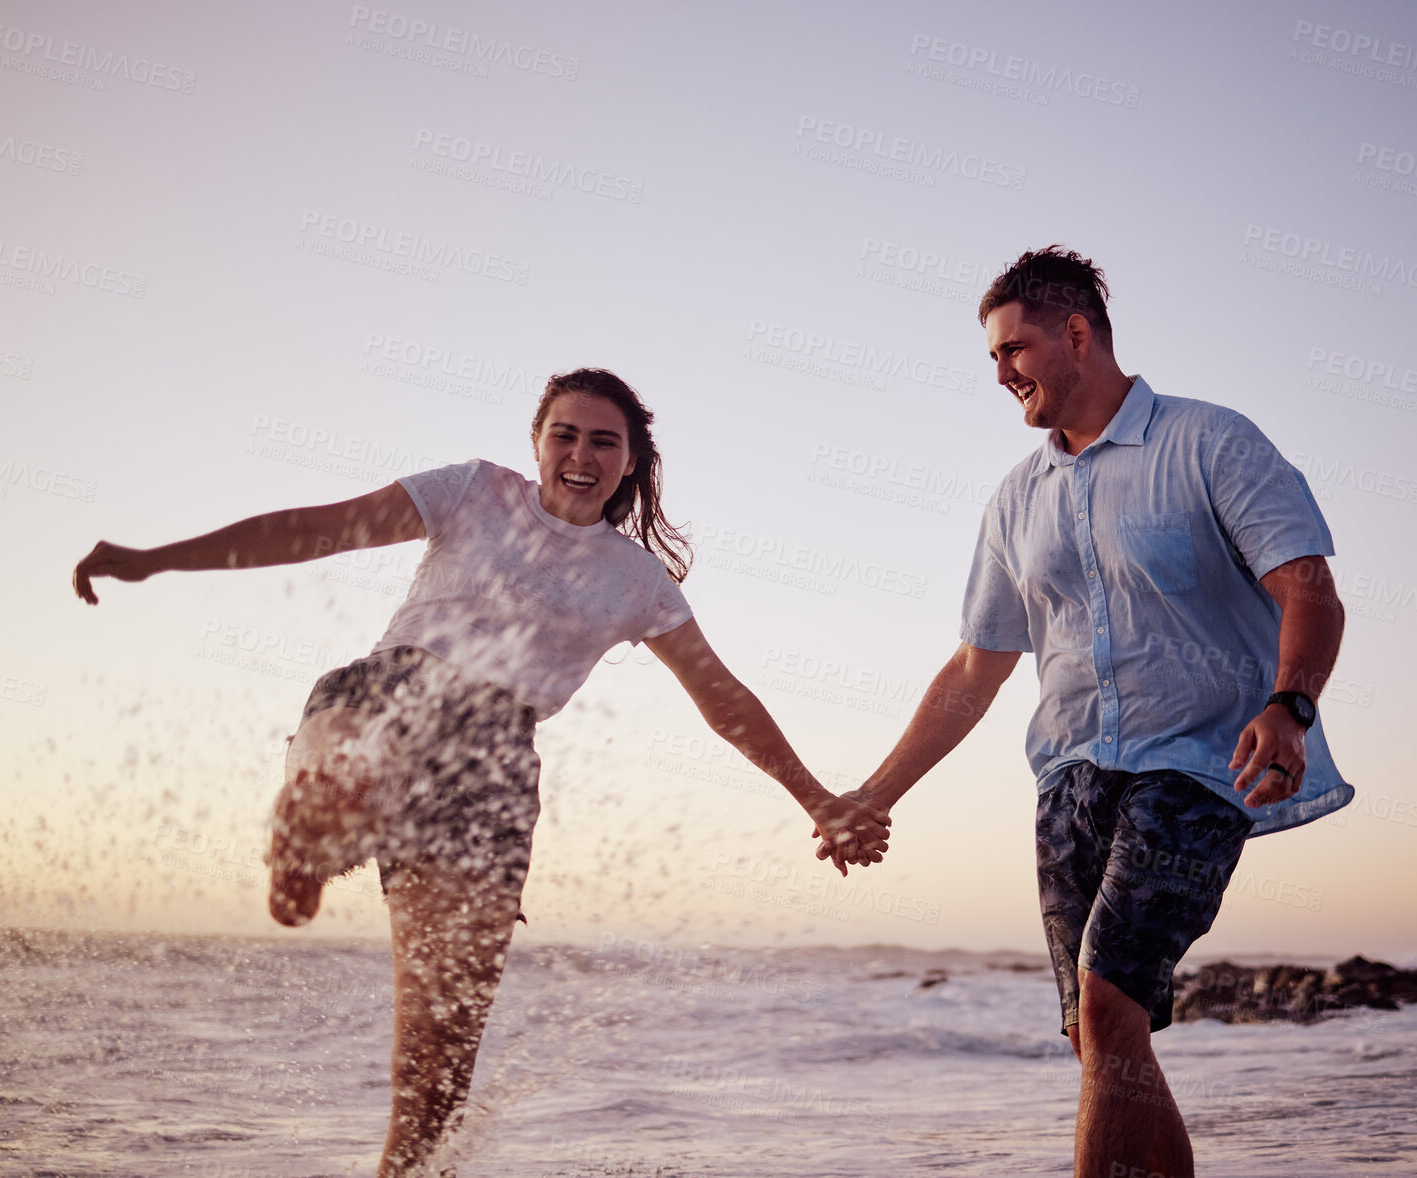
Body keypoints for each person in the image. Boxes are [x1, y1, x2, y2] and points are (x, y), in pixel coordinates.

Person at [73, 367, 891, 1177]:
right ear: (535, 444)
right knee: (354, 762)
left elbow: (724, 699)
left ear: (631, 461)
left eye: (604, 442)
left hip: (492, 767)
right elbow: (317, 529)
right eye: (563, 434)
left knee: (438, 1059)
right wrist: (157, 559)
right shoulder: (470, 492)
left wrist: (819, 799)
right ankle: (314, 829)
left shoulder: (637, 580)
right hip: (388, 693)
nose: (581, 454)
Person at [816, 248, 1353, 1178]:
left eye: (1012, 348)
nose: (998, 373)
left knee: (1107, 1006)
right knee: (1101, 1037)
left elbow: (1309, 590)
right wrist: (876, 791)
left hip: (1195, 766)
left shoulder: (1209, 441)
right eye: (990, 358)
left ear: (1075, 333)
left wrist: (1289, 705)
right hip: (1067, 780)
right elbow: (975, 669)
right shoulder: (1014, 499)